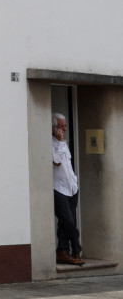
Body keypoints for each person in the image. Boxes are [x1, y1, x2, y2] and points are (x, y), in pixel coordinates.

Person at [52, 113, 84, 265]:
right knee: (69, 222)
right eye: (60, 126)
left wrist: (75, 183)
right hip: (58, 190)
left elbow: (68, 166)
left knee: (65, 224)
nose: (63, 129)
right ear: (53, 128)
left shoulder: (64, 142)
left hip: (72, 189)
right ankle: (77, 249)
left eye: (64, 126)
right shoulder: (52, 143)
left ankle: (62, 252)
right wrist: (58, 142)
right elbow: (57, 161)